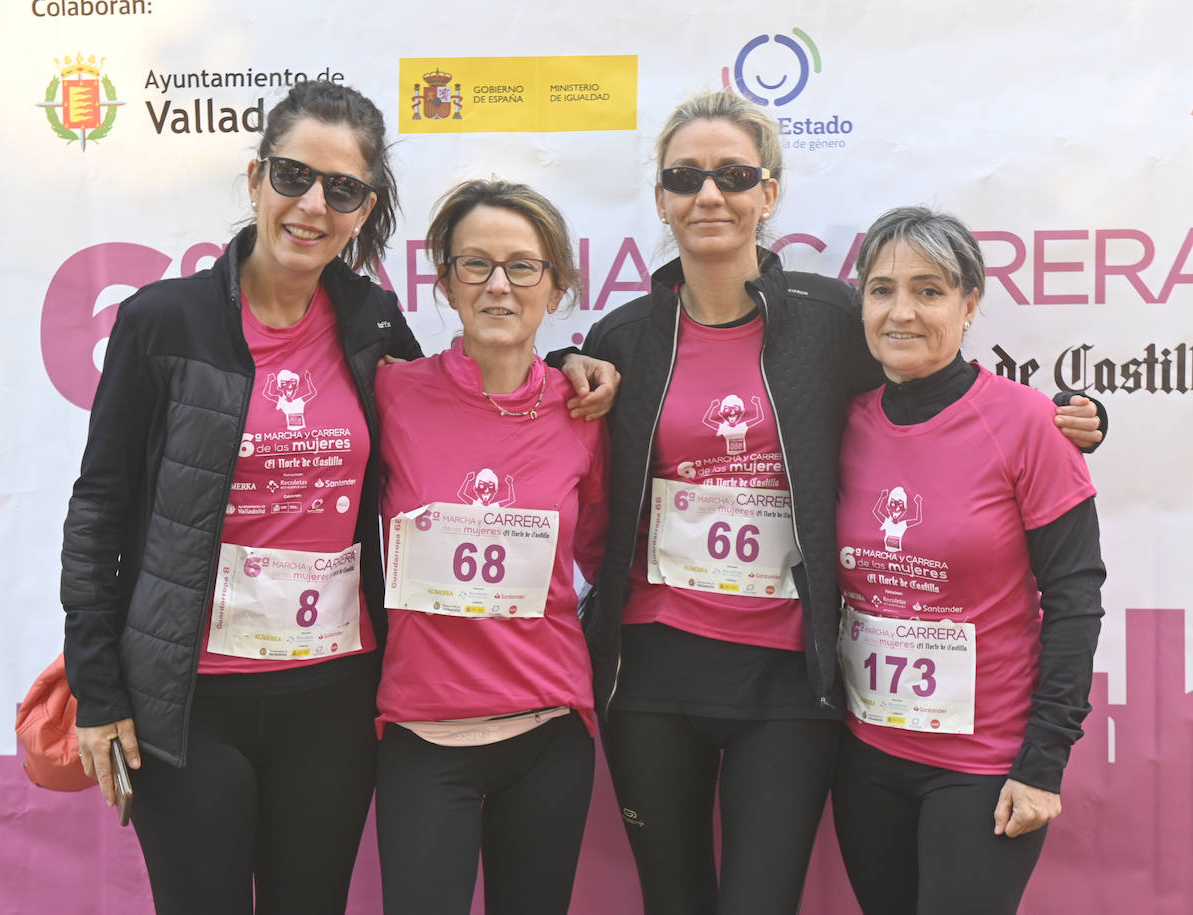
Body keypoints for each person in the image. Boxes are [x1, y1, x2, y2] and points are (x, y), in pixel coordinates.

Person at [60, 82, 614, 915]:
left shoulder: (372, 324)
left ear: (365, 209)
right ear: (256, 179)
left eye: (343, 189)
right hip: (190, 697)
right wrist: (97, 691)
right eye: (293, 175)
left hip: (331, 697)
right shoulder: (162, 323)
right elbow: (98, 509)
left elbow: (473, 393)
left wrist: (570, 359)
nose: (313, 204)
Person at [578, 89, 1105, 915]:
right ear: (661, 198)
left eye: (734, 174)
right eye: (685, 176)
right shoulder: (621, 337)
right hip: (654, 669)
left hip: (793, 677)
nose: (709, 193)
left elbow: (943, 395)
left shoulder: (827, 321)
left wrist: (1070, 416)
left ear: (770, 193)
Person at [831, 206, 1106, 915]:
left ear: (970, 303)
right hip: (866, 759)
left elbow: (1075, 600)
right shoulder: (842, 421)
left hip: (984, 765)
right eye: (882, 289)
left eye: (929, 290)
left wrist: (1043, 764)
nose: (902, 311)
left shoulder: (1029, 425)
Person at [372, 179, 607, 915]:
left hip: (547, 732)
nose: (498, 284)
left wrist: (573, 362)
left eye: (522, 266)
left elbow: (601, 554)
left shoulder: (587, 411)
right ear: (444, 281)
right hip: (422, 733)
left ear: (556, 284)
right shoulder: (390, 394)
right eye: (475, 265)